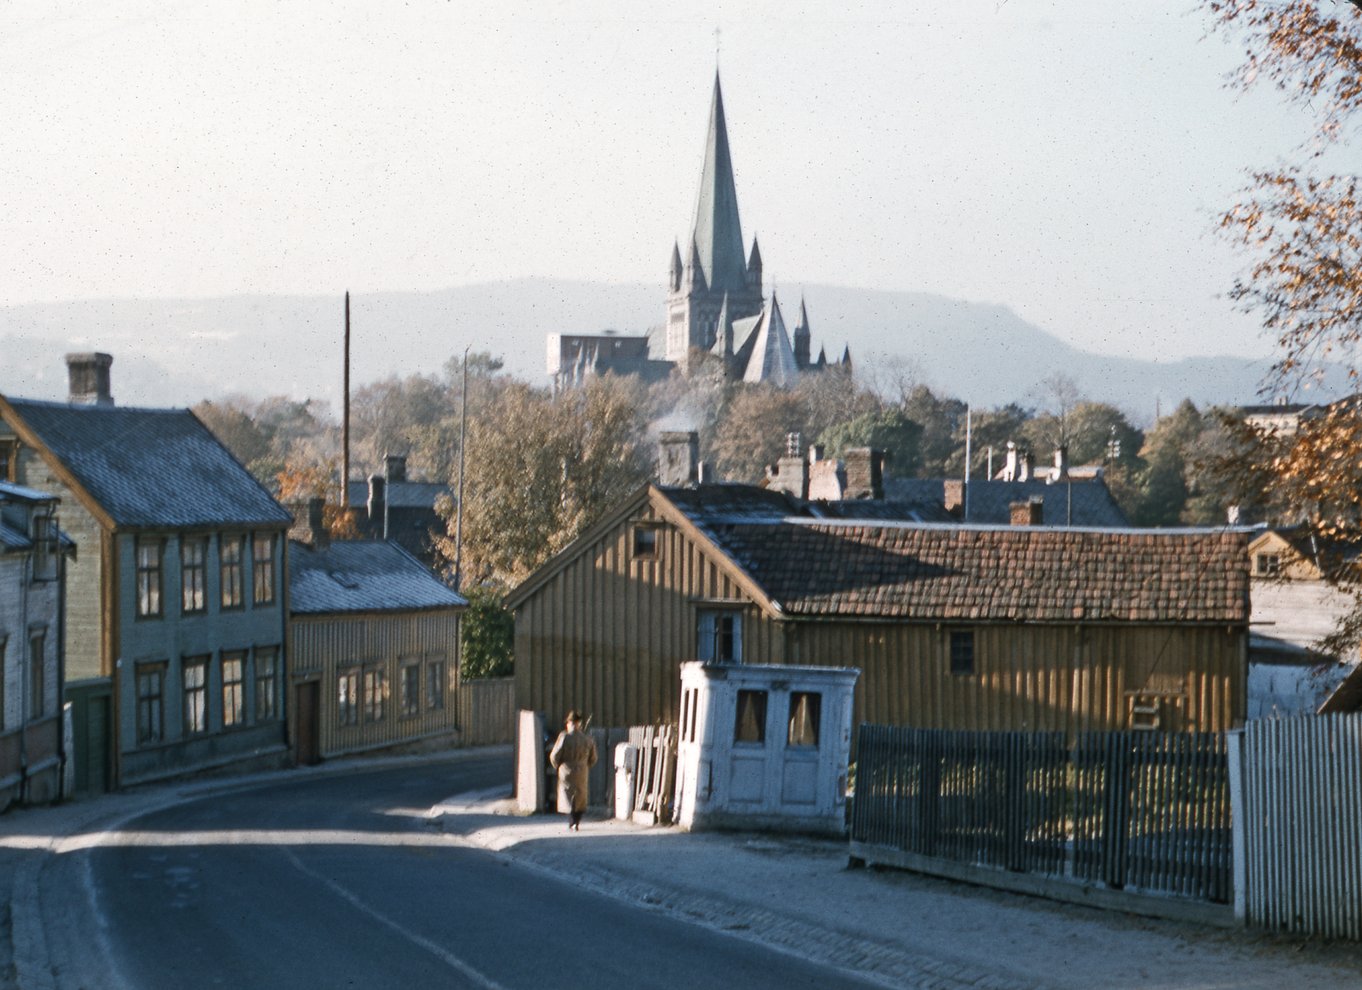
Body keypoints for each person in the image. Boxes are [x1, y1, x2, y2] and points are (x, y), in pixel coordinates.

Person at [549, 710, 598, 831]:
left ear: (569, 723)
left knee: (568, 797)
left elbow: (554, 756)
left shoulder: (564, 737)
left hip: (566, 770)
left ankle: (571, 822)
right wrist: (586, 766)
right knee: (580, 796)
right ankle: (577, 821)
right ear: (579, 724)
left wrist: (558, 767)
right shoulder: (588, 739)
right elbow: (594, 758)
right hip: (582, 771)